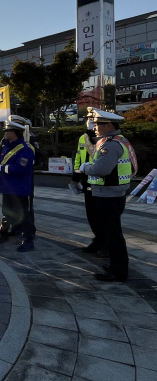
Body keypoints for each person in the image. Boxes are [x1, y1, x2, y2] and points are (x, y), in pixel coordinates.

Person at [80, 108, 137, 282]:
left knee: (113, 234)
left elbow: (101, 169)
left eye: (98, 124)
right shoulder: (115, 141)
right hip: (110, 193)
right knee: (112, 232)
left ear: (109, 125)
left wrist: (84, 168)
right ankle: (115, 265)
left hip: (109, 195)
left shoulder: (111, 145)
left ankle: (118, 271)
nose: (95, 127)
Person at [0, 118, 36, 252]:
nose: (5, 133)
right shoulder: (5, 146)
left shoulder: (25, 149)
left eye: (8, 130)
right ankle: (4, 233)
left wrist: (1, 168)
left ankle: (28, 240)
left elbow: (20, 169)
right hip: (6, 187)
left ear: (15, 132)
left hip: (19, 189)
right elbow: (0, 161)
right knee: (6, 212)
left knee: (24, 216)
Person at [73, 114, 104, 255]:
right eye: (89, 120)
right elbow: (79, 158)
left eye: (94, 121)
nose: (91, 123)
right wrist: (75, 177)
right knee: (91, 213)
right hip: (87, 180)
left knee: (102, 214)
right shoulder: (83, 138)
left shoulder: (105, 139)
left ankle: (105, 243)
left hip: (102, 181)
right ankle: (98, 240)